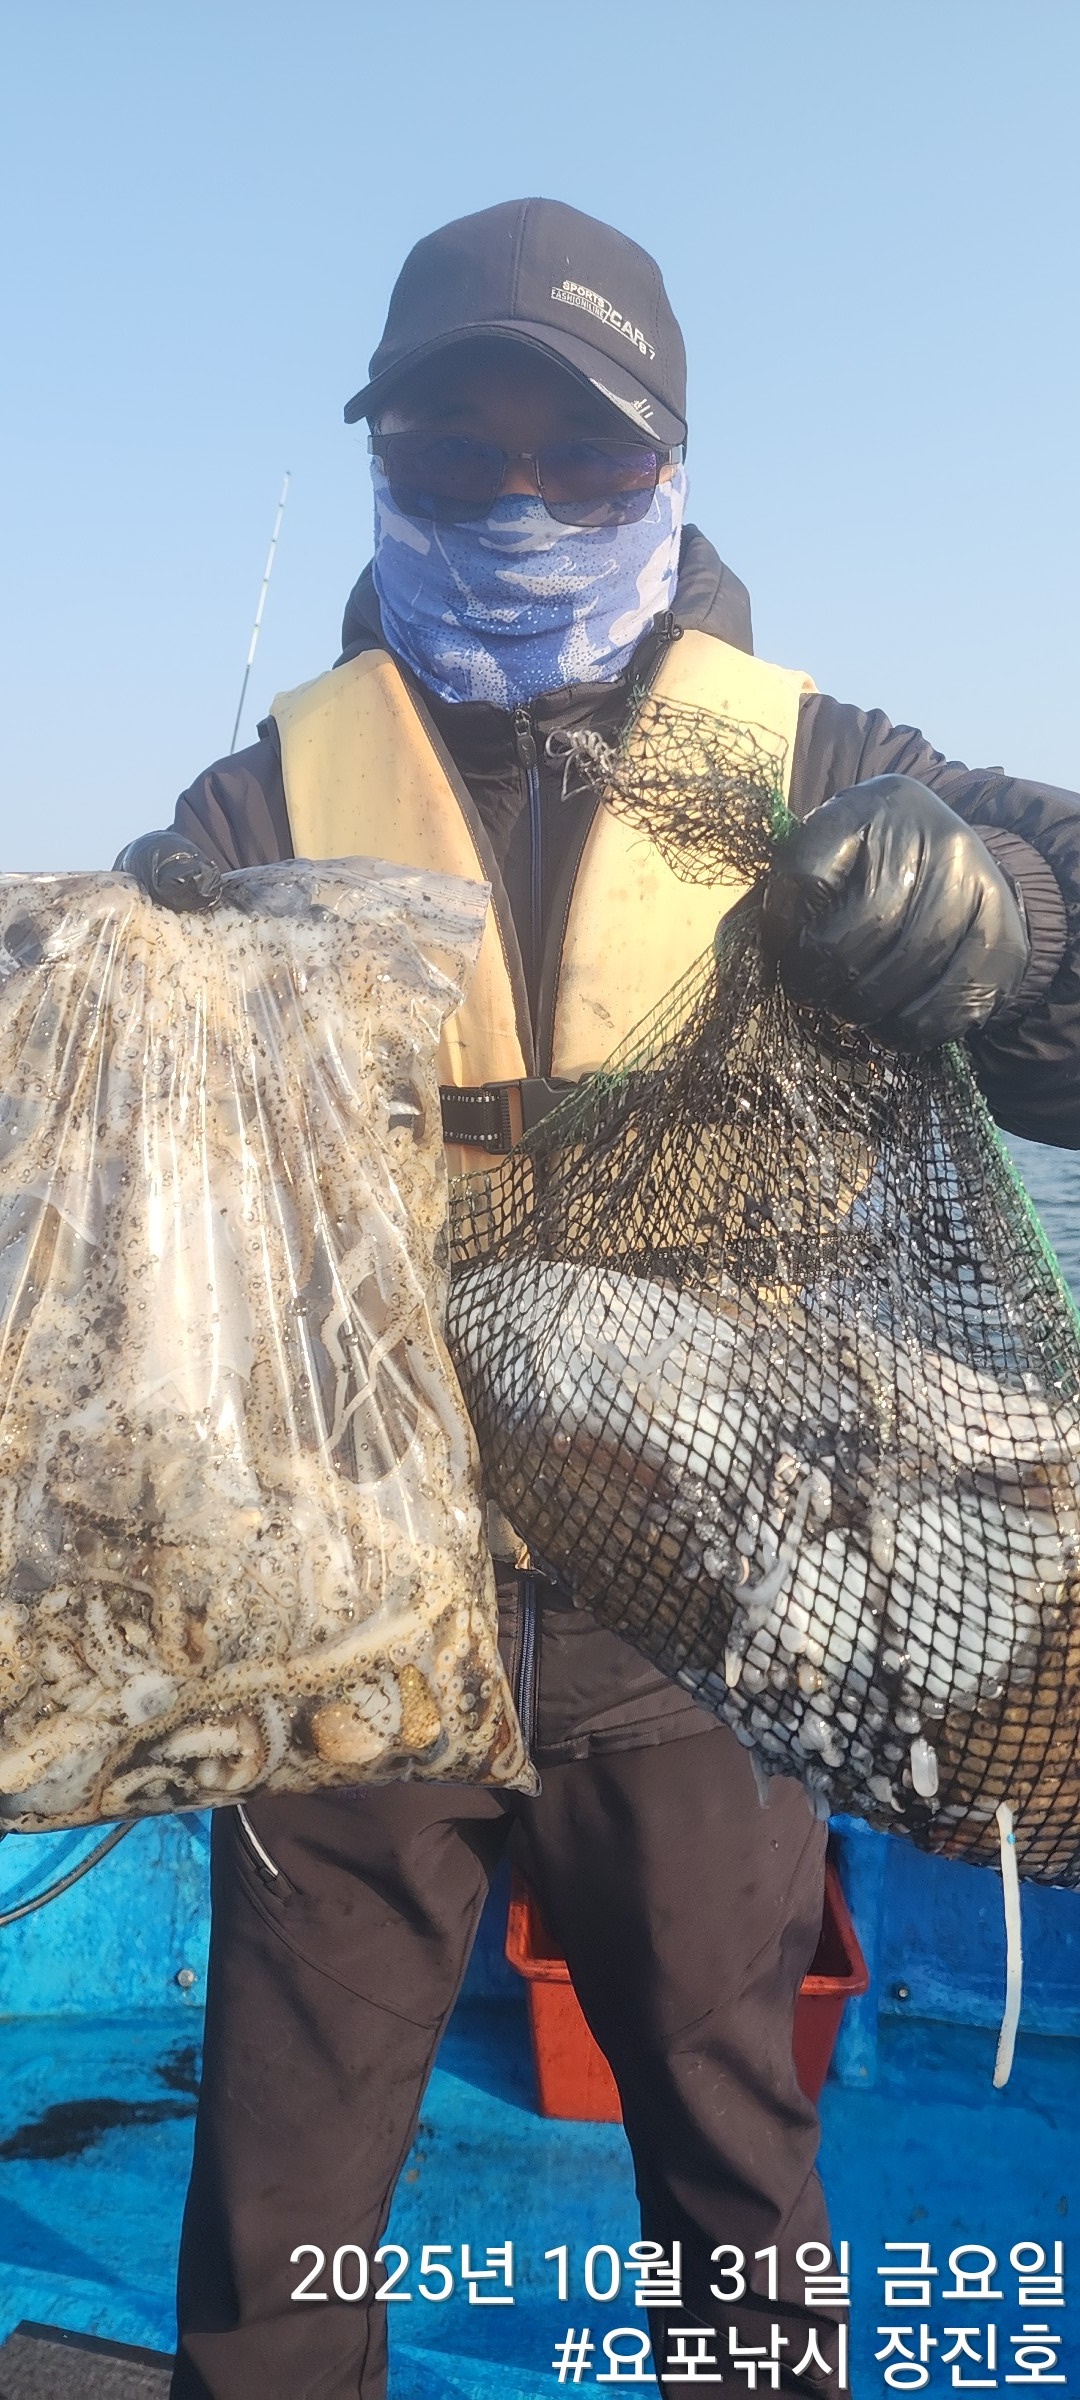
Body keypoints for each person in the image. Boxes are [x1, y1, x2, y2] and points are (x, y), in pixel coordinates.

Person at [119, 198, 1080, 2400]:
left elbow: (1066, 984)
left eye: (584, 455)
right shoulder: (257, 803)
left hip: (710, 1625)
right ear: (383, 468)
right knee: (278, 2218)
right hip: (356, 1622)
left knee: (736, 2169)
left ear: (672, 473)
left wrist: (1013, 909)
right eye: (454, 455)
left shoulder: (816, 758)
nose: (520, 500)